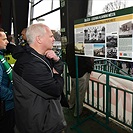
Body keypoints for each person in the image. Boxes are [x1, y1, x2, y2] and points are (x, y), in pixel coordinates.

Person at [12, 23, 66, 133]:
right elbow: (56, 90)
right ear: (39, 39)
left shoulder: (38, 56)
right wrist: (56, 75)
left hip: (42, 118)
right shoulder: (31, 64)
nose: (53, 39)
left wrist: (56, 60)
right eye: (50, 36)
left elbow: (58, 70)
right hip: (40, 124)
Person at [66, 44, 94, 117]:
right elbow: (87, 60)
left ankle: (70, 105)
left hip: (73, 73)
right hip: (82, 74)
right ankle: (78, 112)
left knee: (74, 90)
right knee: (80, 94)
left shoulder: (70, 45)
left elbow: (67, 58)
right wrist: (90, 69)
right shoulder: (82, 45)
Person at [0, 28, 15, 133]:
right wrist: (14, 94)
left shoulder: (1, 56)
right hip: (5, 105)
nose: (7, 42)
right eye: (4, 39)